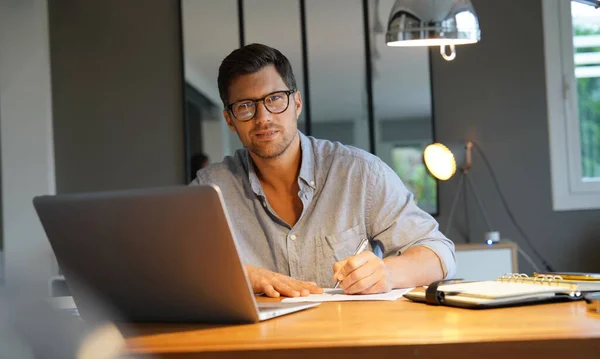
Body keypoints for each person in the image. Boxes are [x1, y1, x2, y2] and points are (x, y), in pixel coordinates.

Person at [191, 43, 455, 298]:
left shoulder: (360, 173)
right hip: (256, 341)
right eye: (246, 106)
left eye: (274, 99)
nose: (264, 118)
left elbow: (439, 252)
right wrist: (240, 276)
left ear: (296, 103)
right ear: (230, 119)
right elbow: (166, 269)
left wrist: (387, 272)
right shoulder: (210, 189)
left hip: (349, 337)